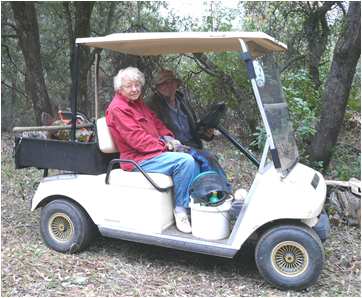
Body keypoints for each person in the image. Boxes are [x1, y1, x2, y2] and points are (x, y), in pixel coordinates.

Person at [106, 67, 199, 233]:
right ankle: (180, 210)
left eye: (137, 85)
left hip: (153, 154)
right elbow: (137, 141)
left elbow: (157, 123)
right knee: (184, 162)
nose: (134, 89)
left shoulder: (138, 104)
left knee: (196, 155)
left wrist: (170, 138)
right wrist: (165, 146)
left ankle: (199, 202)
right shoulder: (118, 109)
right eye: (129, 86)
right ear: (120, 88)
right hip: (137, 160)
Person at [146, 69, 231, 192]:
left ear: (176, 84)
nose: (167, 86)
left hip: (193, 144)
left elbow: (193, 127)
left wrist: (207, 133)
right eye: (163, 84)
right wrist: (171, 143)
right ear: (157, 88)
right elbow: (155, 131)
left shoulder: (182, 101)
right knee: (207, 159)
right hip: (173, 147)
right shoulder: (152, 105)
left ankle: (216, 193)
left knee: (209, 158)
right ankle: (221, 192)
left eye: (170, 82)